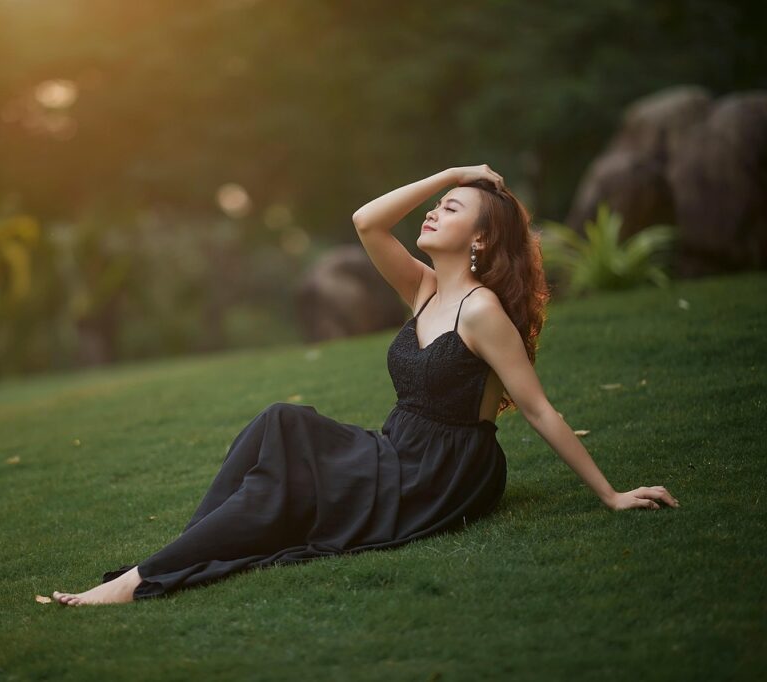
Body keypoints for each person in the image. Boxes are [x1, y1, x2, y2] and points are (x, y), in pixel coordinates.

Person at [52, 165, 680, 606]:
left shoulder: (483, 311)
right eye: (438, 204)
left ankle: (142, 579)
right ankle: (174, 558)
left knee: (282, 466)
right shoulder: (424, 287)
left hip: (441, 472)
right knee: (280, 421)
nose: (434, 211)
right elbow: (366, 221)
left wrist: (611, 494)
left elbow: (539, 410)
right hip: (396, 447)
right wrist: (452, 176)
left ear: (482, 238)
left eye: (451, 209)